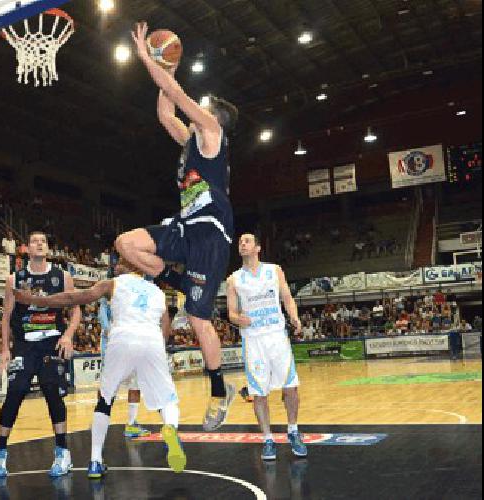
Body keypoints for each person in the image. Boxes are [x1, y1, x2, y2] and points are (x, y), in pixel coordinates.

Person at [114, 22, 240, 431]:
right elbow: (165, 109)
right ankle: (179, 281)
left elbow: (178, 97)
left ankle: (220, 392)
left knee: (199, 318)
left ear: (215, 116)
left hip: (211, 233)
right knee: (126, 244)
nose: (197, 107)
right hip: (185, 226)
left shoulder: (213, 133)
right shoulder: (190, 139)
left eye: (204, 105)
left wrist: (149, 61)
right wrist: (163, 68)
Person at [13, 257, 186, 478]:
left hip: (122, 338)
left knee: (105, 400)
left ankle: (95, 460)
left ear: (133, 266)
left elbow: (74, 297)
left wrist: (36, 299)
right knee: (168, 399)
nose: (116, 265)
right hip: (152, 341)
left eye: (121, 261)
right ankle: (170, 427)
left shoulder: (113, 283)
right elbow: (166, 328)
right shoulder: (158, 293)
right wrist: (154, 353)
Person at [0, 231, 81, 478]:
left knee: (53, 394)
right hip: (24, 345)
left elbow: (75, 312)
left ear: (48, 249)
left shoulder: (62, 277)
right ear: (26, 249)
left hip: (52, 344)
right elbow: (6, 316)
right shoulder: (14, 279)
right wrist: (5, 349)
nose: (39, 244)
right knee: (15, 394)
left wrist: (68, 335)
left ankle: (63, 453)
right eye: (34, 241)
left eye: (43, 241)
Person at [226, 233, 307, 460]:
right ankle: (268, 439)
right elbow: (231, 312)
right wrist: (237, 318)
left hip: (277, 337)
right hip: (254, 341)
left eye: (247, 241)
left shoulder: (274, 270)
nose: (242, 244)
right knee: (259, 393)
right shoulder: (233, 279)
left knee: (290, 387)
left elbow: (287, 298)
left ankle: (293, 431)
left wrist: (294, 317)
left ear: (258, 247)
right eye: (240, 242)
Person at [95, 290, 150, 439]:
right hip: (114, 348)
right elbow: (104, 323)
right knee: (108, 388)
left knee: (134, 386)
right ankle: (100, 419)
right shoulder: (108, 297)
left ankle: (131, 424)